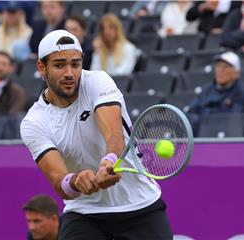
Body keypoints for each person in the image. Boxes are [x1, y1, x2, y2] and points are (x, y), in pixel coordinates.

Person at [20, 30, 172, 239]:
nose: (69, 73)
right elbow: (59, 182)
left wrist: (108, 162)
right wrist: (76, 181)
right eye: (59, 65)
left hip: (140, 207)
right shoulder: (33, 122)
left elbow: (113, 134)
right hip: (84, 214)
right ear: (41, 67)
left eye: (75, 64)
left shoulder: (98, 81)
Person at [187, 51, 244, 120]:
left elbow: (233, 120)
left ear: (236, 73)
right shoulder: (207, 90)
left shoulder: (242, 93)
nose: (220, 70)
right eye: (218, 66)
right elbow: (191, 112)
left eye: (225, 67)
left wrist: (205, 112)